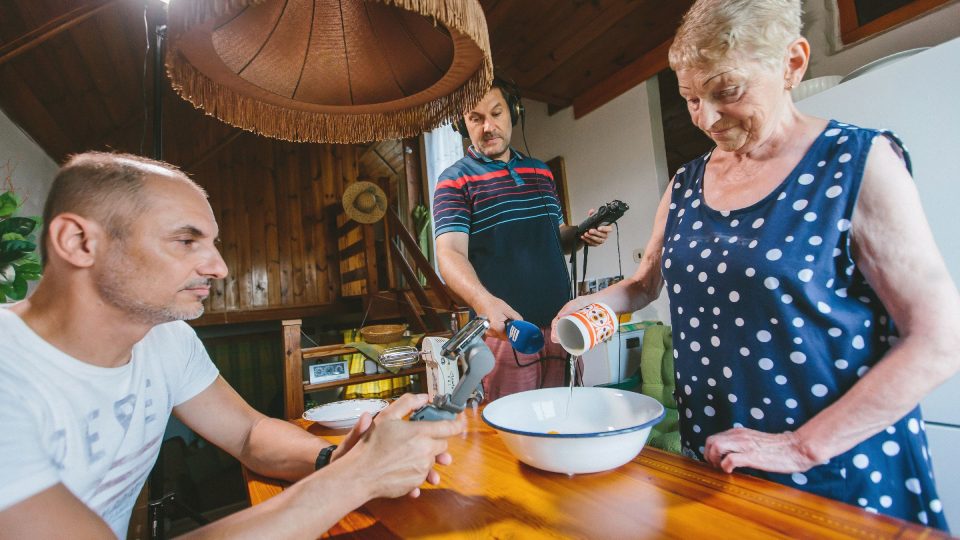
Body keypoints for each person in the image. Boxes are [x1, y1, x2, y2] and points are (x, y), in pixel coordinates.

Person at [552, 0, 959, 530]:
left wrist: (799, 447)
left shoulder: (857, 161)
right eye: (691, 99)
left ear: (792, 63)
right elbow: (643, 283)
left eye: (726, 92)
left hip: (833, 469)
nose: (706, 118)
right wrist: (591, 307)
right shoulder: (686, 183)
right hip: (720, 461)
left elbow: (939, 338)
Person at [0, 152, 464, 538]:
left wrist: (333, 459)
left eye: (213, 243)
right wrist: (358, 476)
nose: (219, 267)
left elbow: (248, 434)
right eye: (186, 240)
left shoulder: (166, 340)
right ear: (79, 241)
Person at [433, 78, 612, 401]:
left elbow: (558, 238)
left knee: (567, 423)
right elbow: (450, 254)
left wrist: (584, 233)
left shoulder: (541, 172)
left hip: (562, 327)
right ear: (463, 125)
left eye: (496, 113)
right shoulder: (454, 181)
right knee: (512, 433)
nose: (488, 126)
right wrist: (483, 303)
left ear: (513, 113)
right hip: (508, 334)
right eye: (476, 118)